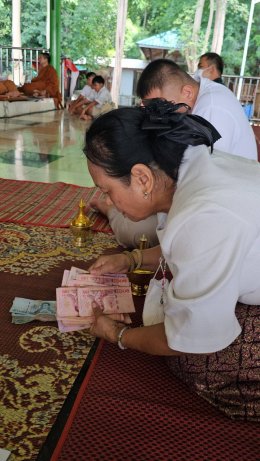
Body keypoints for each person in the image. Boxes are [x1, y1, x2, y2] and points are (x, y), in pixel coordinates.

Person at [83, 102, 260, 422]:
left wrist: (118, 336)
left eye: (106, 190)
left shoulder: (202, 215)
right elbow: (191, 249)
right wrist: (131, 258)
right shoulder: (192, 163)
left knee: (191, 359)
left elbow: (187, 339)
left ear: (141, 178)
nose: (107, 201)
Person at [90, 58, 258, 248]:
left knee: (136, 230)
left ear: (187, 92)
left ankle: (109, 210)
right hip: (201, 194)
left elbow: (195, 181)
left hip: (221, 203)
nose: (159, 114)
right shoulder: (192, 93)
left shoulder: (211, 109)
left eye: (160, 106)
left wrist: (167, 226)